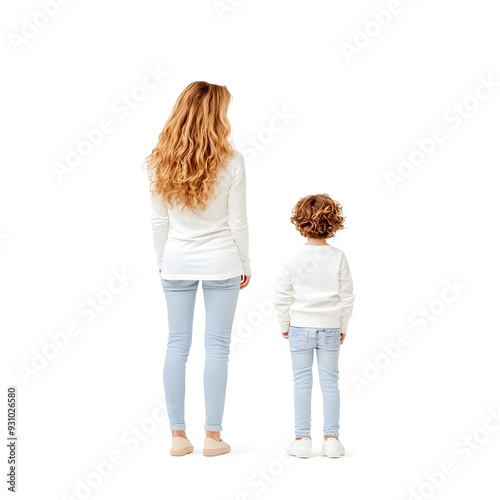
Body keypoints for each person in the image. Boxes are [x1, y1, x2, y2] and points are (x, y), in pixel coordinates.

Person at [145, 81, 251, 457]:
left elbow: (159, 222)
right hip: (223, 259)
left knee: (177, 344)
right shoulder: (232, 160)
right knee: (217, 348)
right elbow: (237, 222)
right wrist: (245, 262)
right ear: (215, 115)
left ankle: (177, 437)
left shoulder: (160, 159)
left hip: (176, 262)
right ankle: (213, 437)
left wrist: (162, 262)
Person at [274, 194, 354, 458]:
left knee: (301, 384)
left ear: (300, 221)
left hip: (299, 328)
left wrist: (285, 323)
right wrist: (342, 326)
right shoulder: (338, 257)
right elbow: (347, 296)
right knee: (330, 384)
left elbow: (282, 295)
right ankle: (331, 439)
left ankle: (302, 439)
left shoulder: (292, 257)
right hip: (330, 329)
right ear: (333, 222)